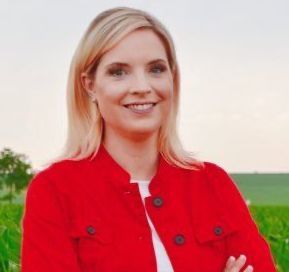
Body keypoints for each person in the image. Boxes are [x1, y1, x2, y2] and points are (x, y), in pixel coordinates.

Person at [20, 6, 276, 272]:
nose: (142, 87)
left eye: (156, 69)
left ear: (172, 79)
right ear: (90, 85)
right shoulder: (55, 191)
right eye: (119, 72)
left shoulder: (213, 184)